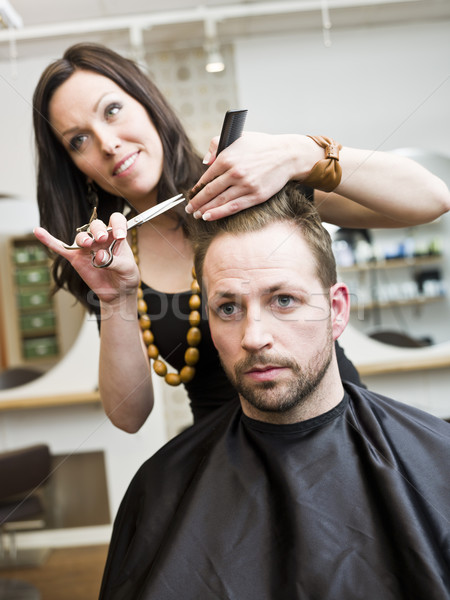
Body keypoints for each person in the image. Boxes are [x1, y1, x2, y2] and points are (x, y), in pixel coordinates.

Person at [32, 43, 450, 433]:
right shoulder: (110, 259)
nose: (107, 143)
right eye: (78, 140)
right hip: (225, 470)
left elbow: (431, 199)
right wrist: (114, 297)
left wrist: (302, 153)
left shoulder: (252, 184)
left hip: (336, 435)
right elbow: (129, 416)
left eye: (112, 110)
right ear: (74, 165)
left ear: (147, 104)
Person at [99, 184, 450, 599]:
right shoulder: (159, 491)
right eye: (228, 308)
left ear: (336, 311)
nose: (254, 337)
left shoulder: (437, 460)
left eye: (284, 300)